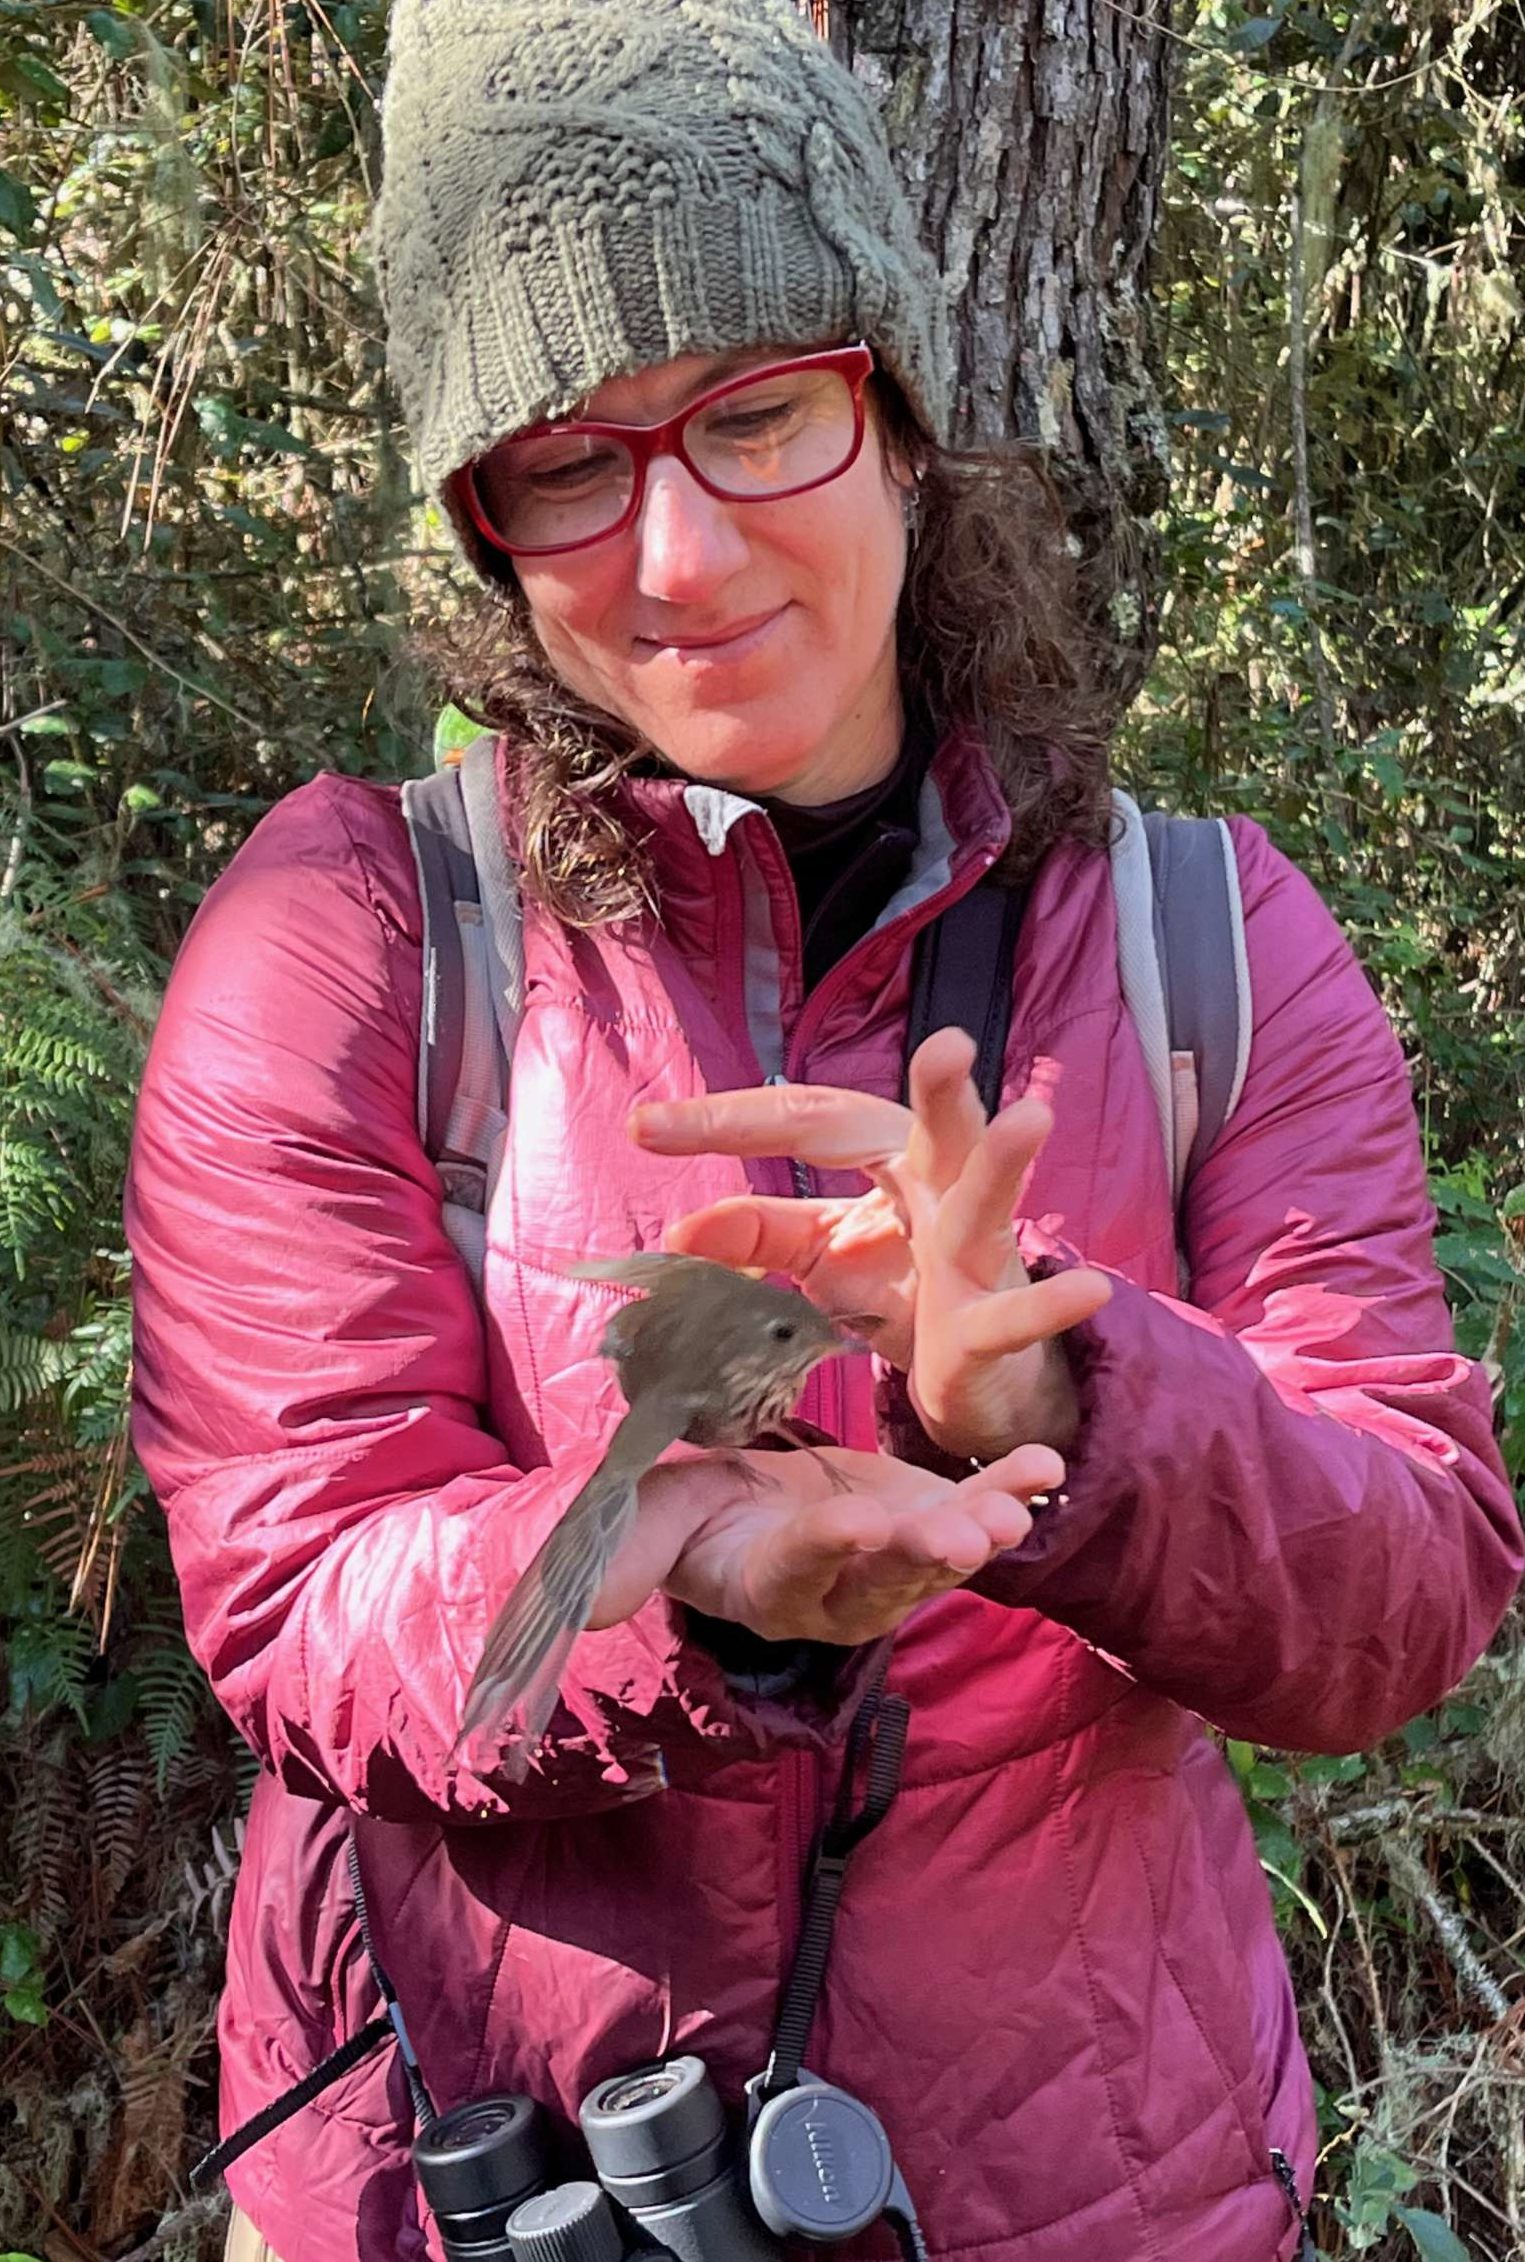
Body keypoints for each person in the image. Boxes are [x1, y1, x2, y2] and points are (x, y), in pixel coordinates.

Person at [124, 3, 1522, 2259]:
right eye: (564, 466)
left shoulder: (1204, 944)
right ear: (482, 526)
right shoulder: (350, 942)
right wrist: (676, 1563)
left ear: (896, 413)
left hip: (1098, 2190)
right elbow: (295, 1590)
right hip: (481, 2181)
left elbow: (1408, 1590)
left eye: (756, 412)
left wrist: (1067, 1399)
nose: (671, 555)